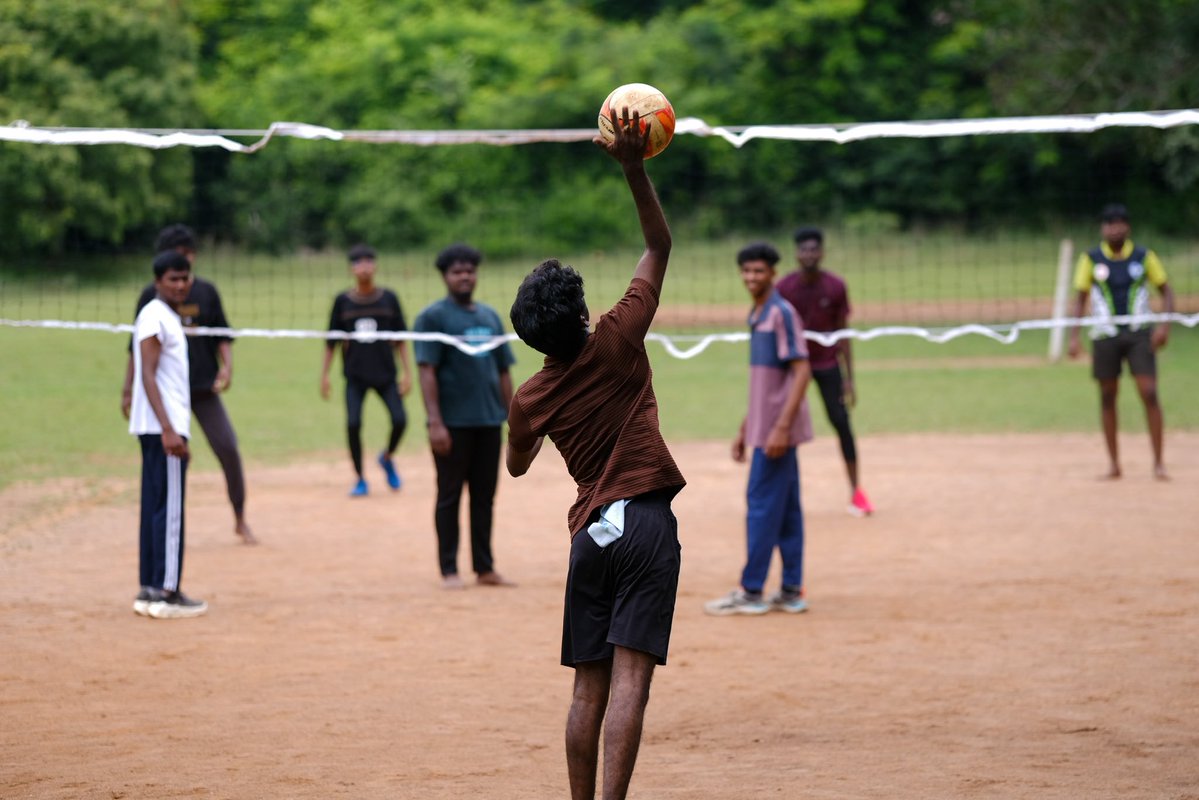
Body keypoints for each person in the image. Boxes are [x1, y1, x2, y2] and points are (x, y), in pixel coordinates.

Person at [505, 109, 684, 800]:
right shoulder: (618, 336)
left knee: (588, 687)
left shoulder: (530, 396)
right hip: (643, 525)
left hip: (590, 536)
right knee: (630, 683)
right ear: (581, 315)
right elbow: (658, 246)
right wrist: (633, 168)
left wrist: (526, 425)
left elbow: (516, 464)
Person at [121, 224, 255, 544]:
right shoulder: (151, 300)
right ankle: (165, 528)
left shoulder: (206, 292)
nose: (182, 271)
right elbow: (136, 348)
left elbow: (222, 334)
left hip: (203, 388)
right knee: (172, 457)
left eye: (187, 260)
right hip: (166, 394)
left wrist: (227, 368)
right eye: (176, 261)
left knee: (228, 448)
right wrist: (127, 390)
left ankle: (240, 518)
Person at [704, 242, 814, 616]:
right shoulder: (758, 314)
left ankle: (751, 591)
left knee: (761, 505)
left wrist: (780, 428)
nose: (752, 277)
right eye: (747, 271)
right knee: (785, 510)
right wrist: (744, 427)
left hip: (776, 432)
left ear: (773, 274)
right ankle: (790, 590)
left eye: (759, 271)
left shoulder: (781, 313)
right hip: (765, 427)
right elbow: (765, 385)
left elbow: (803, 371)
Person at [414, 243, 517, 590]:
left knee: (484, 497)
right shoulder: (433, 318)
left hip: (489, 422)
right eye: (457, 271)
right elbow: (426, 371)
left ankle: (485, 568)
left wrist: (515, 415)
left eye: (469, 270)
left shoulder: (489, 317)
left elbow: (503, 370)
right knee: (449, 496)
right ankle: (449, 570)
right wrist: (435, 422)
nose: (464, 276)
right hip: (453, 425)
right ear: (445, 276)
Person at [1068, 203, 1175, 480]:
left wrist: (1164, 326)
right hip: (1105, 335)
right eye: (1109, 223)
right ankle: (1114, 464)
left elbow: (1167, 290)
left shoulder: (1143, 256)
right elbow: (1080, 299)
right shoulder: (1090, 259)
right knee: (1107, 396)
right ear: (1102, 228)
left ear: (1127, 226)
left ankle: (1159, 463)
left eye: (1119, 222)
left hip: (1140, 334)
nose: (1115, 228)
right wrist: (1074, 336)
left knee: (1149, 392)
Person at [128, 251, 208, 619]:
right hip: (165, 428)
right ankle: (168, 591)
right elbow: (148, 373)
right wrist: (169, 429)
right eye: (173, 278)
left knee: (155, 506)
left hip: (156, 426)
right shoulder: (156, 315)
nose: (180, 284)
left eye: (185, 278)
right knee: (169, 509)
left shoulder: (163, 316)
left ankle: (148, 589)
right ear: (158, 281)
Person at [775, 226, 873, 517]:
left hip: (828, 365)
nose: (809, 254)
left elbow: (843, 333)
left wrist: (849, 379)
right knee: (783, 427)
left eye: (813, 248)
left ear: (822, 252)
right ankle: (781, 496)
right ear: (796, 253)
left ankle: (856, 493)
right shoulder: (784, 287)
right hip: (794, 366)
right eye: (803, 249)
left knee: (842, 423)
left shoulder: (835, 286)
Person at [320, 244, 413, 496]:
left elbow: (401, 338)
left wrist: (407, 373)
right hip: (355, 376)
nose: (364, 266)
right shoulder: (343, 301)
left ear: (375, 265)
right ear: (352, 268)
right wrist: (325, 375)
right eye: (358, 262)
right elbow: (332, 341)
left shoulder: (389, 298)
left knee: (400, 420)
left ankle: (387, 457)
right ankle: (360, 478)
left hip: (385, 374)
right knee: (352, 424)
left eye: (368, 261)